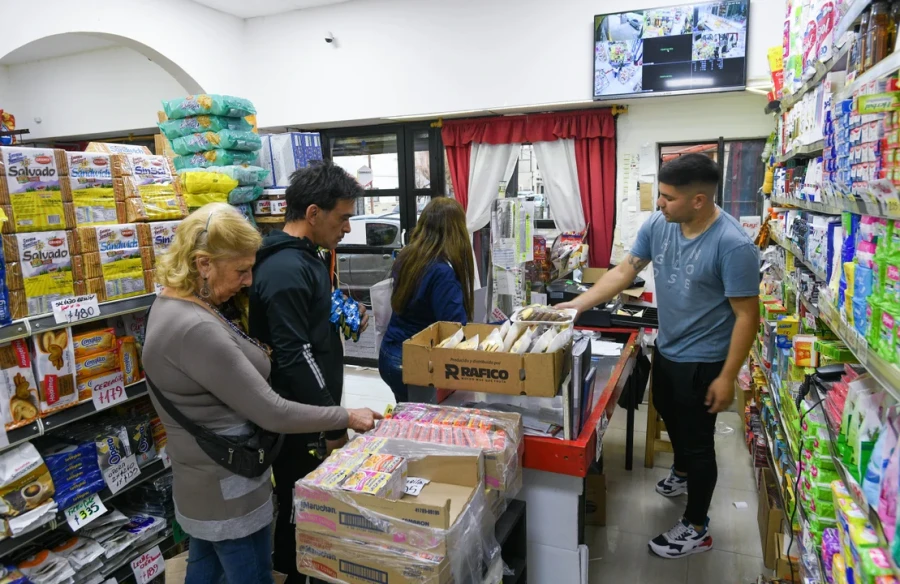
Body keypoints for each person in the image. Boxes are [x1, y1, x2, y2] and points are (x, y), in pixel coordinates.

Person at [142, 203, 380, 584]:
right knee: (251, 574)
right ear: (203, 264)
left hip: (206, 483)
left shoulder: (176, 304)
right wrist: (345, 417)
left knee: (205, 568)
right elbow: (273, 412)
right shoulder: (193, 327)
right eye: (240, 270)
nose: (250, 281)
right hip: (227, 491)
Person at [559, 153, 759, 559]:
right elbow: (622, 272)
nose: (659, 204)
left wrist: (727, 376)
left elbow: (746, 316)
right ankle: (681, 472)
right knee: (668, 409)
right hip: (668, 346)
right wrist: (573, 308)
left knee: (699, 441)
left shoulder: (733, 245)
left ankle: (697, 527)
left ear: (699, 200)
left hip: (706, 361)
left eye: (667, 197)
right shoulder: (659, 225)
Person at [248, 162, 368, 584]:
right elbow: (294, 354)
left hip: (311, 411)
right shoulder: (284, 270)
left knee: (309, 503)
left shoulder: (305, 259)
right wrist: (333, 421)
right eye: (343, 218)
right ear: (313, 213)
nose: (347, 229)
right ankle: (291, 573)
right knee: (301, 504)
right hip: (298, 417)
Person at [378, 197, 475, 402]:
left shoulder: (408, 257)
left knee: (407, 415)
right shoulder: (441, 272)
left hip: (390, 353)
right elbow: (455, 326)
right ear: (456, 232)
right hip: (414, 361)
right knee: (422, 426)